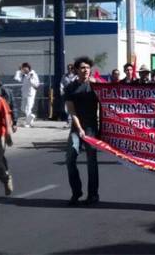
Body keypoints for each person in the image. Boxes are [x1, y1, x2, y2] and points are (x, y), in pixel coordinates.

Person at [64, 56, 101, 205]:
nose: (86, 70)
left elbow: (108, 103)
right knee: (70, 159)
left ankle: (93, 194)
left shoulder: (96, 86)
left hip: (92, 128)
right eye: (82, 68)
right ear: (76, 70)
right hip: (76, 129)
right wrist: (79, 129)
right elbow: (72, 112)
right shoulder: (70, 88)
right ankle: (76, 192)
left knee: (91, 162)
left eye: (87, 67)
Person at [14, 62, 40, 127]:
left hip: (30, 94)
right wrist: (19, 71)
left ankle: (28, 123)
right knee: (23, 108)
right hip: (24, 93)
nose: (24, 70)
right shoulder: (25, 74)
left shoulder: (33, 74)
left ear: (28, 68)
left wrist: (30, 79)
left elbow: (37, 85)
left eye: (24, 69)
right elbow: (17, 79)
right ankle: (31, 117)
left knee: (28, 108)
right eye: (23, 69)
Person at [60, 64, 78, 128]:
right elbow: (61, 83)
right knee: (67, 108)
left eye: (71, 68)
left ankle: (73, 122)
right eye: (68, 68)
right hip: (67, 94)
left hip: (74, 94)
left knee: (74, 108)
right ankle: (69, 122)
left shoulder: (76, 76)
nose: (69, 69)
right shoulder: (64, 76)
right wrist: (61, 90)